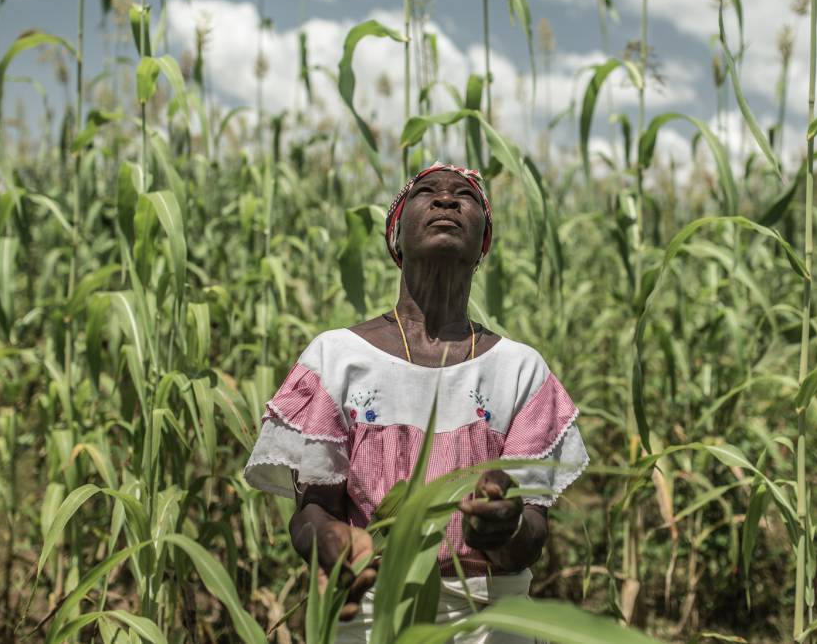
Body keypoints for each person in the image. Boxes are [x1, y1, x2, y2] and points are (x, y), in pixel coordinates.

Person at [242, 162, 589, 643]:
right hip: (371, 616)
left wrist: (504, 531)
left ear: (482, 243)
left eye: (464, 197)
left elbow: (532, 532)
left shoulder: (520, 370)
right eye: (426, 192)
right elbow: (313, 509)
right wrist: (332, 542)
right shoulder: (337, 358)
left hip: (491, 622)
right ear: (396, 237)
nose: (446, 200)